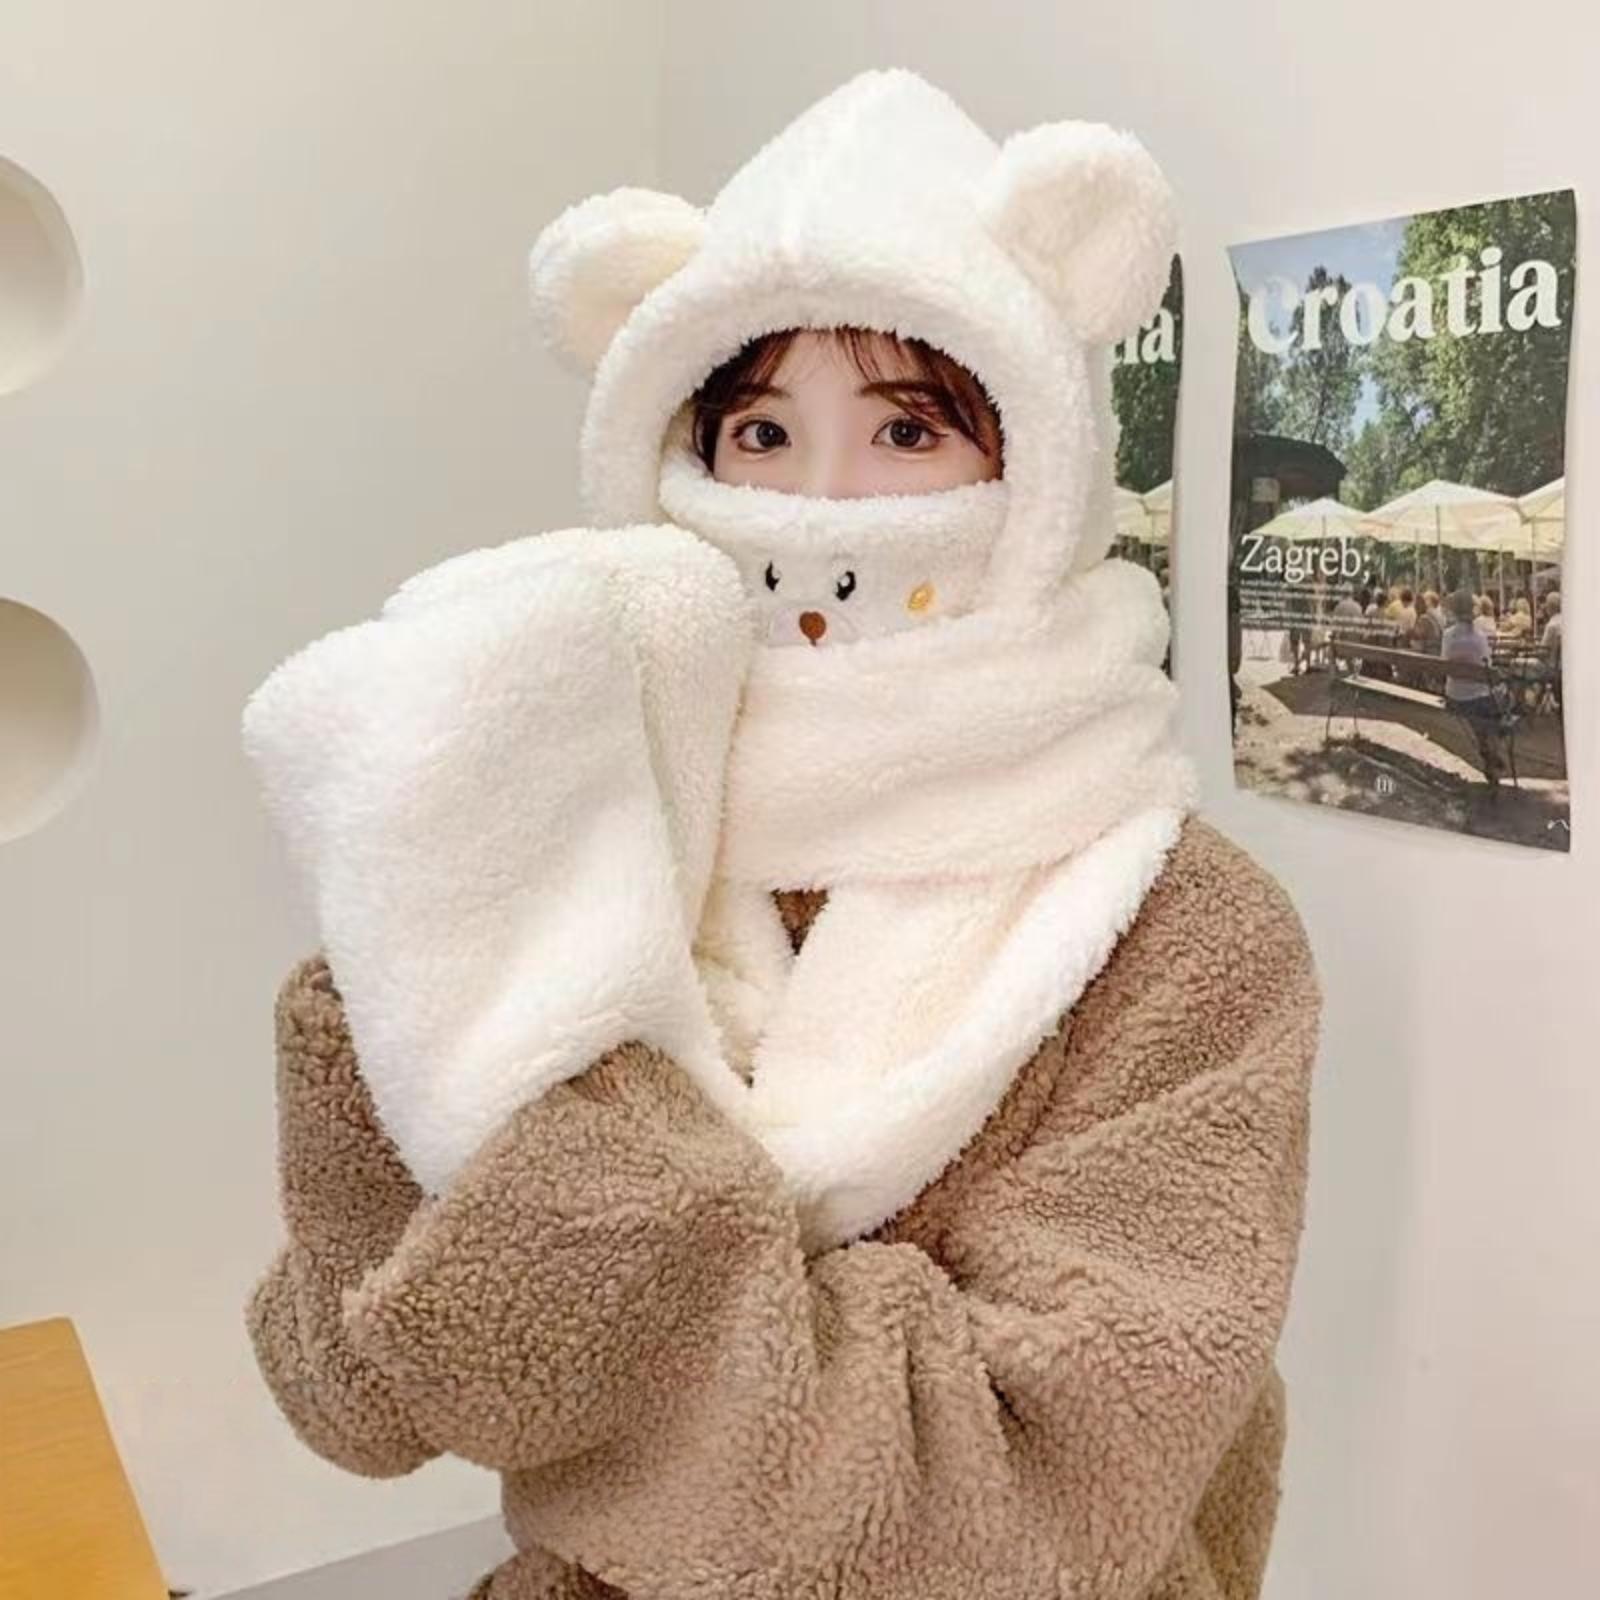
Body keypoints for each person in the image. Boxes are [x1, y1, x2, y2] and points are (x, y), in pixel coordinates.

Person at [239, 69, 1320, 1600]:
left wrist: (571, 1142)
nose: (822, 508)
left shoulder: (1188, 934)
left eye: (907, 430)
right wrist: (409, 958)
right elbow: (356, 1387)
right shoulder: (573, 840)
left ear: (1037, 463)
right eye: (760, 428)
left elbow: (1012, 1507)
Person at [1442, 588, 1506, 786]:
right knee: (1495, 704)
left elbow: (1444, 662)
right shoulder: (1479, 637)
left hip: (1454, 696)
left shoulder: (1448, 635)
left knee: (1480, 716)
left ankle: (1487, 752)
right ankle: (1490, 751)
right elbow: (1487, 666)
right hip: (1478, 699)